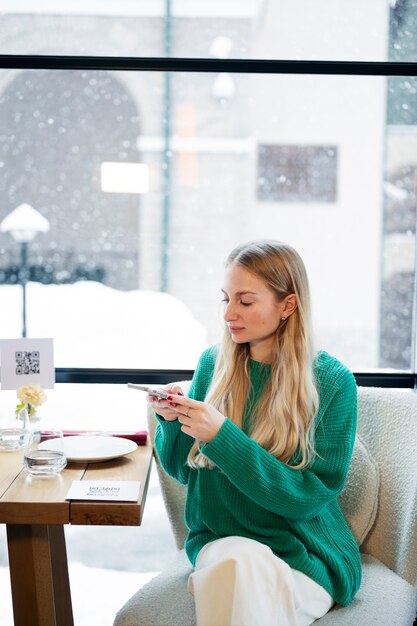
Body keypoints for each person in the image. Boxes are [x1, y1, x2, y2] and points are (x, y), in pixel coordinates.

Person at [148, 240, 361, 626]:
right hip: (223, 544)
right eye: (226, 298)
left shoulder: (332, 383)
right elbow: (183, 471)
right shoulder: (213, 365)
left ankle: (219, 588)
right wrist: (173, 422)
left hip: (303, 556)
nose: (229, 313)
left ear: (287, 305)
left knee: (236, 585)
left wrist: (223, 437)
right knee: (237, 564)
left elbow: (308, 500)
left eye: (245, 301)